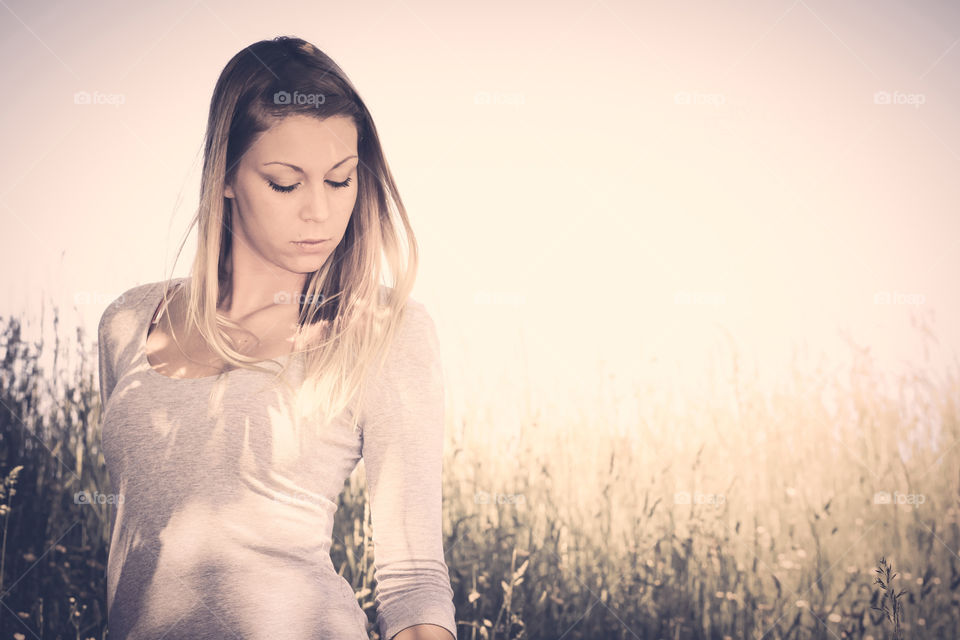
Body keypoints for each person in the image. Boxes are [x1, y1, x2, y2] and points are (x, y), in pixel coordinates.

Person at [97, 36, 457, 640]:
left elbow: (415, 580)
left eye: (341, 181)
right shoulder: (128, 322)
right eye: (286, 184)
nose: (319, 211)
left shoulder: (385, 330)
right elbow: (135, 548)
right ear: (227, 177)